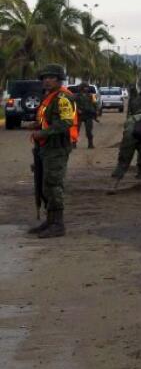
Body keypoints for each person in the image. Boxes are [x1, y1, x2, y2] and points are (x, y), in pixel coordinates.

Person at [28, 64, 77, 239]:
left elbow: (65, 123)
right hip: (45, 146)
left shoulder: (63, 98)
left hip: (56, 147)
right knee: (44, 184)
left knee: (53, 184)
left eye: (51, 77)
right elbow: (48, 120)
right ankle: (50, 221)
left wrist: (42, 132)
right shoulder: (49, 97)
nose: (47, 81)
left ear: (59, 79)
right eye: (44, 78)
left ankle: (58, 224)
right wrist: (37, 125)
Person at [75, 79, 100, 149]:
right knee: (76, 130)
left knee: (89, 131)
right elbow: (73, 105)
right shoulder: (76, 96)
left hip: (89, 115)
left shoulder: (92, 96)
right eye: (84, 87)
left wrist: (96, 112)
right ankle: (74, 143)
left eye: (87, 87)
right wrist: (77, 110)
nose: (86, 88)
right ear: (81, 88)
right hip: (80, 115)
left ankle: (90, 144)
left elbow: (95, 104)